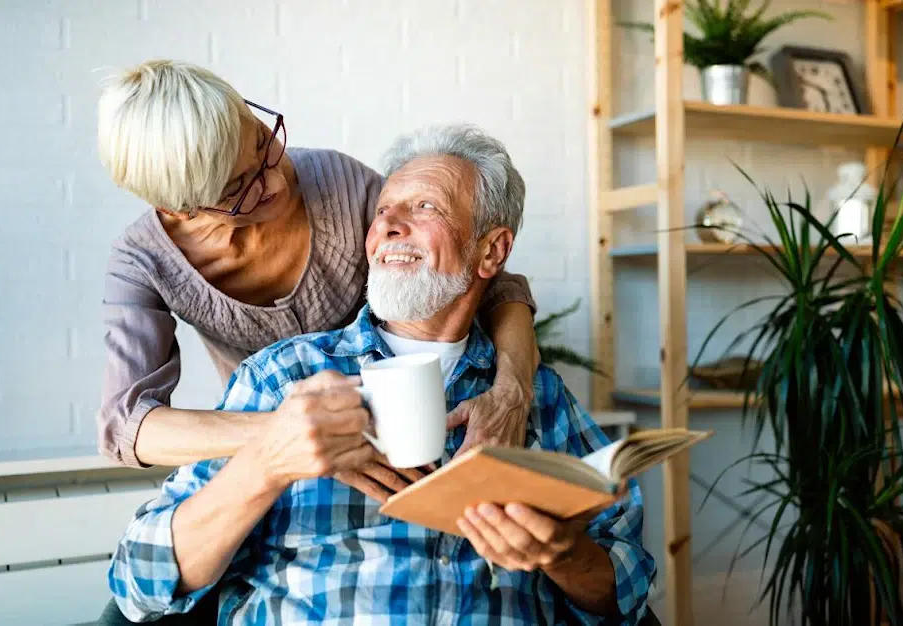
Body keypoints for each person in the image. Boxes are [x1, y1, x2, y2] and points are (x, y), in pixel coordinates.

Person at [107, 124, 656, 624]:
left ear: (492, 250)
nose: (389, 224)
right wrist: (266, 463)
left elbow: (627, 590)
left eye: (424, 207)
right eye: (384, 210)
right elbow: (136, 580)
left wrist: (564, 555)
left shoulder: (534, 398)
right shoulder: (283, 379)